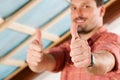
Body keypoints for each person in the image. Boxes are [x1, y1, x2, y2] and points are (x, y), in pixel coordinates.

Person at [26, 0, 120, 80]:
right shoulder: (67, 47)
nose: (78, 13)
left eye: (85, 6)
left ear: (102, 11)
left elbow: (107, 60)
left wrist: (91, 60)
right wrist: (38, 60)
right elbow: (49, 61)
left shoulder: (113, 40)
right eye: (74, 8)